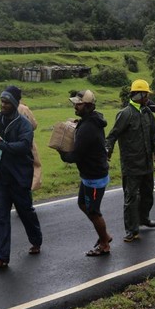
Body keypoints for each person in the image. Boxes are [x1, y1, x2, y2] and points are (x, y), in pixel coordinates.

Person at [0, 85, 43, 270]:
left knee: (25, 211)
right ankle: (0, 257)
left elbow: (23, 147)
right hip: (2, 176)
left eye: (7, 102)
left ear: (15, 104)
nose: (3, 105)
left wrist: (1, 144)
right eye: (1, 101)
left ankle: (36, 239)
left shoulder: (24, 124)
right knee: (0, 216)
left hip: (19, 175)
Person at [106, 79, 155, 243]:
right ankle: (131, 230)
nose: (148, 98)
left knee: (147, 194)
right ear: (139, 94)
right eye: (146, 95)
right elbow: (112, 135)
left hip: (147, 164)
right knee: (131, 198)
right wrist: (107, 151)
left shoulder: (148, 113)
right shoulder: (125, 114)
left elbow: (154, 133)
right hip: (131, 165)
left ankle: (144, 218)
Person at [58, 90, 112, 256]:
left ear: (88, 106)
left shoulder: (88, 128)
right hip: (90, 174)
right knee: (83, 204)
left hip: (94, 177)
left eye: (79, 104)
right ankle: (105, 236)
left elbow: (74, 156)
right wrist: (78, 123)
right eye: (75, 103)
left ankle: (104, 243)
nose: (75, 105)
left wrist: (61, 151)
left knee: (93, 212)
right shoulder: (91, 120)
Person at [18, 100, 42, 191]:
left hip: (10, 142)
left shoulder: (6, 107)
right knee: (35, 164)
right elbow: (34, 125)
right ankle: (32, 186)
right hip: (26, 140)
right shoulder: (24, 108)